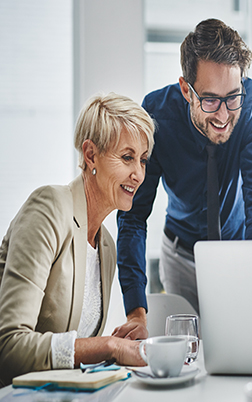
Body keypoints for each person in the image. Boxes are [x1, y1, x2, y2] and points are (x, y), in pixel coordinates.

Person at [115, 18, 252, 335]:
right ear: (185, 90)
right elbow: (133, 215)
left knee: (241, 343)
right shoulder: (156, 115)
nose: (222, 114)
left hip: (239, 251)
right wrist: (135, 310)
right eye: (209, 100)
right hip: (180, 254)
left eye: (232, 97)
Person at [0, 93, 155, 386]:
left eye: (143, 160)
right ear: (90, 155)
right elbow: (10, 346)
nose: (138, 174)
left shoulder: (106, 245)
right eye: (127, 157)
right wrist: (109, 346)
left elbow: (75, 358)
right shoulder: (49, 208)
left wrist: (119, 346)